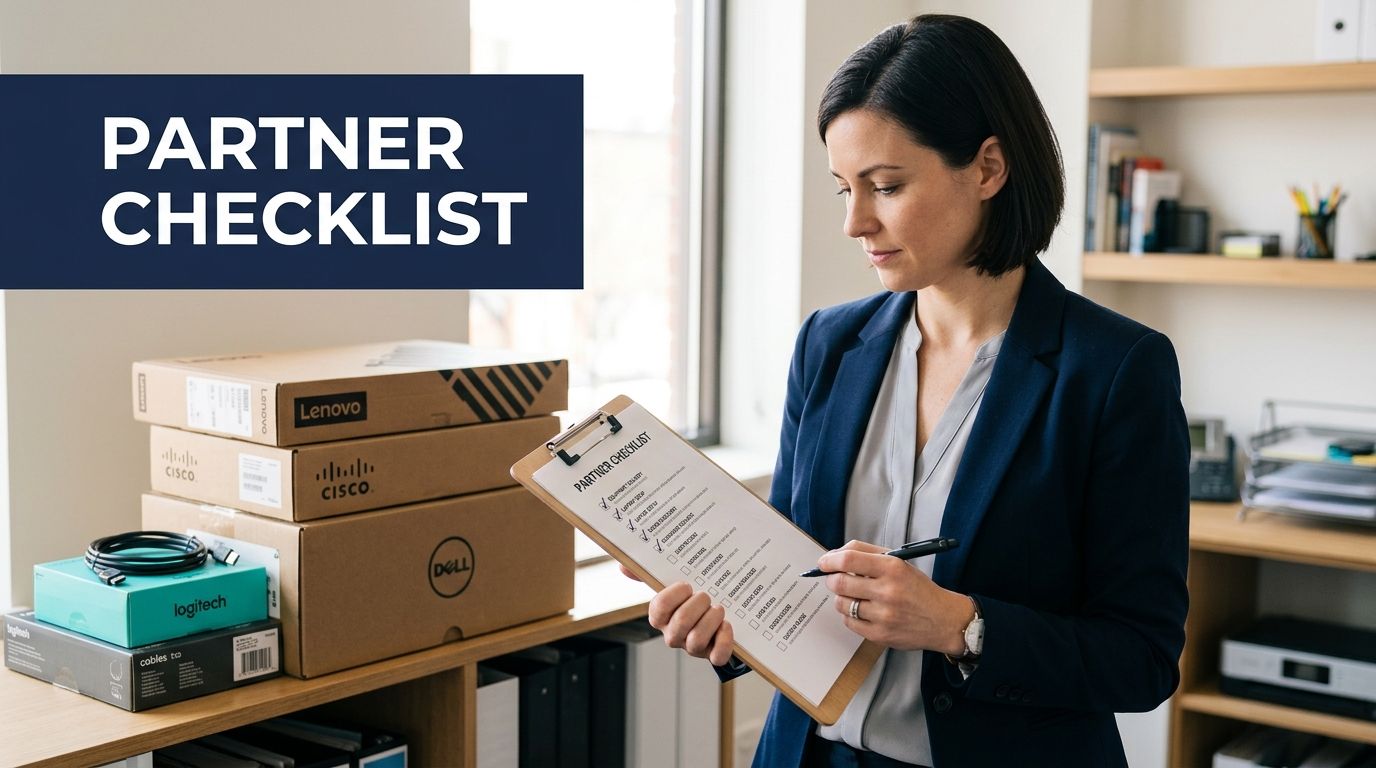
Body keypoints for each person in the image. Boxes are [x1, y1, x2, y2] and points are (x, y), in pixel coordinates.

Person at [624, 13, 1189, 768]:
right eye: (843, 190)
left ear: (988, 168)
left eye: (885, 186)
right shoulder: (829, 344)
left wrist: (962, 625)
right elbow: (793, 585)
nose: (856, 222)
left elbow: (1142, 657)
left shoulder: (1117, 370)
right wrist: (726, 627)